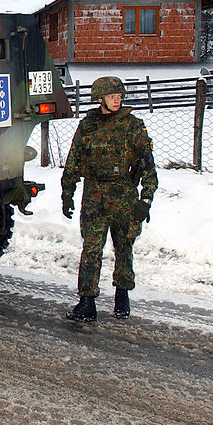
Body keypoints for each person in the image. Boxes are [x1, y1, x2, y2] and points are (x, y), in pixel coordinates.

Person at [61, 76, 158, 322]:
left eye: (119, 96)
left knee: (124, 245)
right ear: (100, 98)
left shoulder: (132, 125)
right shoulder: (88, 125)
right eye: (112, 96)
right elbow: (74, 159)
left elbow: (147, 164)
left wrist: (145, 199)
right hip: (94, 195)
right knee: (91, 248)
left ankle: (122, 296)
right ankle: (87, 302)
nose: (117, 100)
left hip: (123, 194)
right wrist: (67, 192)